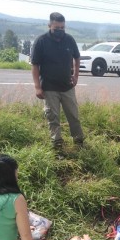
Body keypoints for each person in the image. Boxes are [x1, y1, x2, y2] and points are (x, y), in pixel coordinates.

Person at [30, 12, 84, 156]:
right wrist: (37, 86)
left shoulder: (69, 40)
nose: (60, 31)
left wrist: (76, 75)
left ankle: (79, 143)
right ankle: (57, 147)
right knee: (53, 119)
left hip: (67, 87)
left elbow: (77, 58)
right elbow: (35, 65)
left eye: (62, 28)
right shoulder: (41, 41)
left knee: (74, 116)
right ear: (49, 26)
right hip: (49, 88)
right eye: (56, 28)